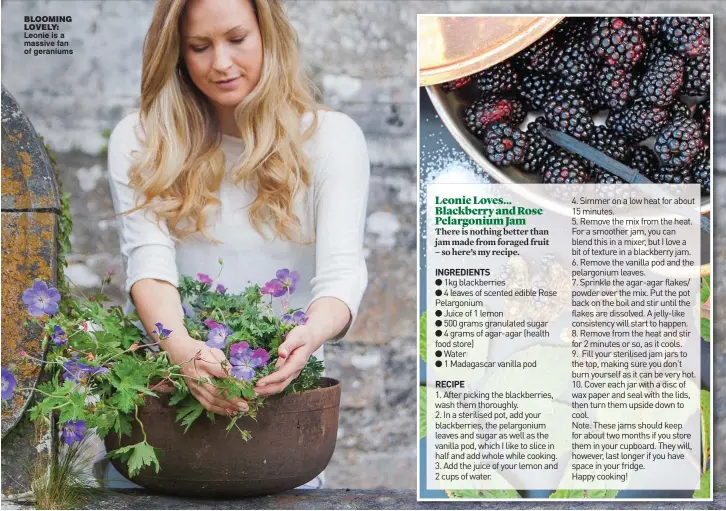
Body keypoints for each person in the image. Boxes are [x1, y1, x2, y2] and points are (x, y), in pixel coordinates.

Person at [107, 0, 369, 420]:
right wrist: (182, 351)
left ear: (268, 35)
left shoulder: (331, 139)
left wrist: (310, 334)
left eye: (237, 39)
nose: (221, 63)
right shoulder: (140, 140)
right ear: (176, 51)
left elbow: (342, 276)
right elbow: (148, 266)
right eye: (199, 46)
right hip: (161, 399)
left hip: (275, 400)